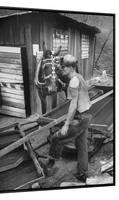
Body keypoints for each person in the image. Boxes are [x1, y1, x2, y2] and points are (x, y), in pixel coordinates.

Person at [49, 54, 92, 182]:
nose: (63, 69)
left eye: (65, 67)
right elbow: (82, 89)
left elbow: (73, 104)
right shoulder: (79, 76)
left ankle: (50, 166)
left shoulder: (73, 81)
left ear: (71, 67)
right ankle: (82, 173)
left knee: (56, 138)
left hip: (79, 118)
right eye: (62, 67)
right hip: (87, 116)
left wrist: (67, 124)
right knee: (82, 146)